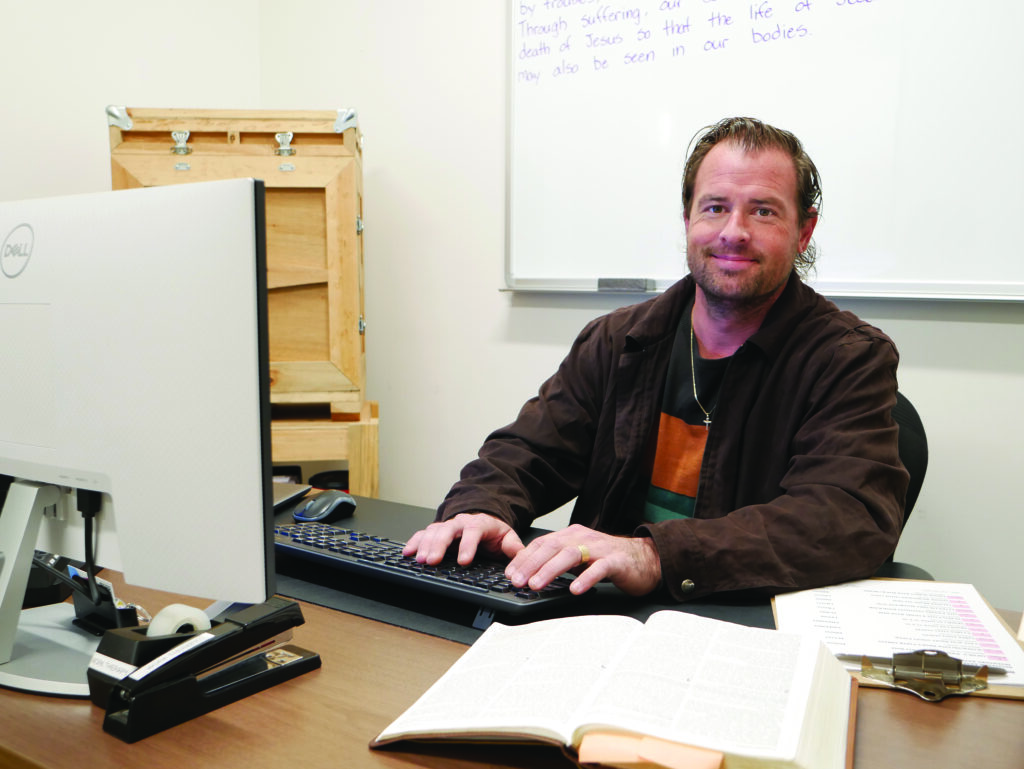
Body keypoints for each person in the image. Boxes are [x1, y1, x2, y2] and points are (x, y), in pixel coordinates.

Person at [404, 116, 908, 603]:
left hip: (742, 621)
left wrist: (654, 555)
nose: (734, 231)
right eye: (715, 207)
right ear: (688, 219)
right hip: (600, 614)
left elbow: (845, 517)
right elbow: (529, 451)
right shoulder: (618, 340)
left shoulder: (850, 360)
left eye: (763, 211)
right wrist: (482, 509)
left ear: (803, 232)